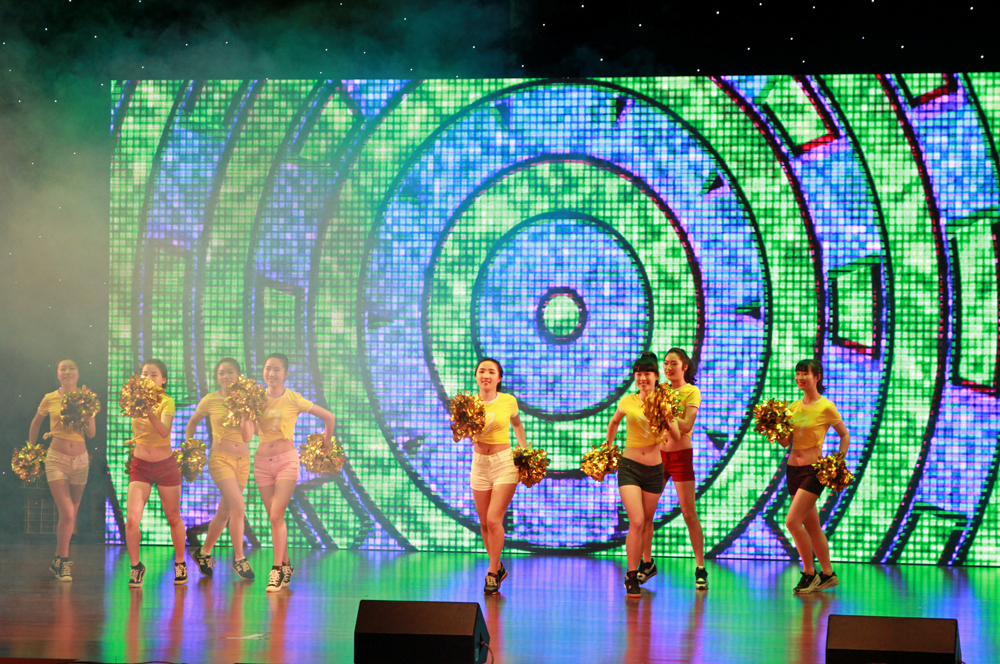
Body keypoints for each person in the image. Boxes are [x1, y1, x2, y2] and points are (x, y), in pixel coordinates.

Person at [253, 353, 335, 592]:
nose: (271, 374)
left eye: (276, 369)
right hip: (261, 462)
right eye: (268, 368)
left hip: (286, 462)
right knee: (274, 517)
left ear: (286, 373)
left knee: (276, 516)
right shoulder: (255, 398)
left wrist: (326, 444)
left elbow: (329, 417)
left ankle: (276, 570)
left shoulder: (293, 399)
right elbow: (251, 432)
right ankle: (287, 564)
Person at [636, 348, 708, 589]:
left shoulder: (691, 391)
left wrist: (667, 413)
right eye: (665, 363)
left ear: (684, 366)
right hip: (657, 456)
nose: (668, 368)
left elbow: (686, 425)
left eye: (673, 364)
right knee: (646, 514)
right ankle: (647, 563)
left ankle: (700, 568)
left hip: (680, 457)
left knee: (688, 512)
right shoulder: (659, 390)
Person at [777, 359, 849, 594]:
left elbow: (844, 435)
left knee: (792, 522)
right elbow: (786, 442)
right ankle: (828, 573)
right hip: (793, 470)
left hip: (813, 471)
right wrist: (774, 428)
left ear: (817, 377)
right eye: (797, 373)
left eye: (804, 373)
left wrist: (837, 461)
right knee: (812, 526)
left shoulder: (826, 407)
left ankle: (810, 573)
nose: (799, 378)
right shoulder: (794, 406)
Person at [186, 358, 256, 580]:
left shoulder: (247, 400)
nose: (225, 376)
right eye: (221, 373)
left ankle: (203, 552)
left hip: (243, 460)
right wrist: (190, 447)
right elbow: (192, 422)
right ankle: (239, 559)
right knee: (238, 507)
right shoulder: (210, 400)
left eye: (230, 372)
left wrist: (245, 413)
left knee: (225, 511)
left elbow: (250, 434)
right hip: (220, 459)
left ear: (239, 375)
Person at [27, 359, 98, 582]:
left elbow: (92, 433)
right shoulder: (50, 398)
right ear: (58, 374)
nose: (67, 372)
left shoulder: (87, 398)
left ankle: (58, 559)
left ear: (78, 373)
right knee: (67, 513)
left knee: (70, 516)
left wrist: (84, 412)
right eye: (63, 369)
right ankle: (64, 562)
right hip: (56, 459)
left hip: (81, 461)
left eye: (71, 368)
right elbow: (36, 423)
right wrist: (31, 450)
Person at [606, 352, 664, 598]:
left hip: (655, 470)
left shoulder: (665, 401)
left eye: (647, 374)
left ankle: (646, 564)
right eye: (638, 374)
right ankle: (631, 575)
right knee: (637, 521)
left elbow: (676, 430)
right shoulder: (628, 400)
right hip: (629, 467)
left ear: (656, 376)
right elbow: (614, 422)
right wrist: (608, 448)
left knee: (647, 521)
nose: (642, 379)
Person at [125, 359, 188, 588]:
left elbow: (164, 432)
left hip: (165, 466)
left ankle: (180, 562)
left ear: (163, 380)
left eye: (154, 374)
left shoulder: (167, 402)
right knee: (132, 519)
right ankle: (136, 566)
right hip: (140, 466)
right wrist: (138, 404)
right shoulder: (133, 400)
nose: (148, 378)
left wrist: (148, 411)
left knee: (173, 517)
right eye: (144, 374)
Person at [469, 358, 527, 595]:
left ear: (499, 378)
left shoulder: (508, 401)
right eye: (482, 371)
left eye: (491, 372)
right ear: (476, 376)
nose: (486, 375)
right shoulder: (469, 404)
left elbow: (517, 425)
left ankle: (492, 572)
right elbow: (457, 435)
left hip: (504, 462)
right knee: (484, 523)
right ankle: (498, 565)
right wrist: (461, 427)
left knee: (494, 519)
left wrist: (524, 451)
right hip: (479, 464)